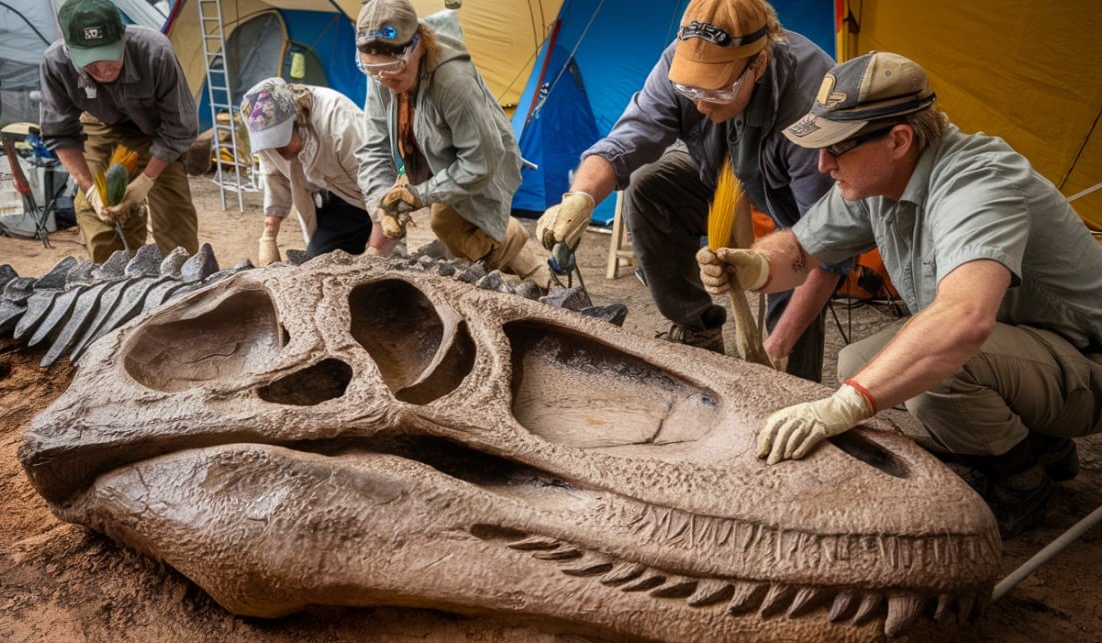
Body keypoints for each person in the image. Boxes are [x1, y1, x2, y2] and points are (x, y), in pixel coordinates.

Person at [699, 51, 1102, 538]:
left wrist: (842, 406)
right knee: (858, 364)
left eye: (836, 148)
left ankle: (1020, 480)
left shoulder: (978, 181)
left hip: (1088, 365)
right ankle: (1040, 443)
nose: (823, 164)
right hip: (1032, 354)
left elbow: (964, 319)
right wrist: (757, 265)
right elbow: (803, 249)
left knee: (939, 366)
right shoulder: (878, 177)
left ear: (899, 139)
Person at [537, 0, 844, 380]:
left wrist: (777, 345)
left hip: (791, 206)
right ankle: (697, 326)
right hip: (718, 171)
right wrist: (580, 197)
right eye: (690, 88)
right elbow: (627, 139)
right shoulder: (682, 58)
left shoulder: (809, 102)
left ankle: (791, 382)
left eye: (716, 89)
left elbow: (825, 246)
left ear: (758, 64)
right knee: (650, 184)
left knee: (790, 301)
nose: (698, 103)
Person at [354, 0, 553, 288]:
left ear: (415, 46)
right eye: (374, 70)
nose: (384, 80)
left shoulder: (453, 81)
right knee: (447, 224)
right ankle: (530, 266)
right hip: (427, 153)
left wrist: (422, 195)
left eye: (392, 69)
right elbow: (373, 147)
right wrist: (380, 206)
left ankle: (508, 239)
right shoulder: (382, 73)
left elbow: (480, 162)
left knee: (447, 224)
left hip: (483, 157)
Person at [40, 0, 199, 264]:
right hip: (101, 124)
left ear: (122, 37)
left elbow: (180, 129)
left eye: (109, 56)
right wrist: (90, 188)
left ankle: (184, 285)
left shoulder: (155, 52)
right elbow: (60, 133)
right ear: (70, 50)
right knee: (96, 215)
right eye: (91, 63)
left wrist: (146, 180)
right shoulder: (56, 63)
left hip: (157, 130)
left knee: (174, 218)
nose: (103, 70)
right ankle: (114, 283)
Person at [239, 78, 394, 266]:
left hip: (363, 196)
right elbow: (275, 175)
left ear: (297, 118)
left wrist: (376, 248)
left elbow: (379, 187)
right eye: (268, 141)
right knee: (319, 264)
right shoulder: (264, 129)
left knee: (386, 267)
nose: (276, 149)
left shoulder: (340, 123)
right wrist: (269, 232)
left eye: (279, 140)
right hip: (327, 199)